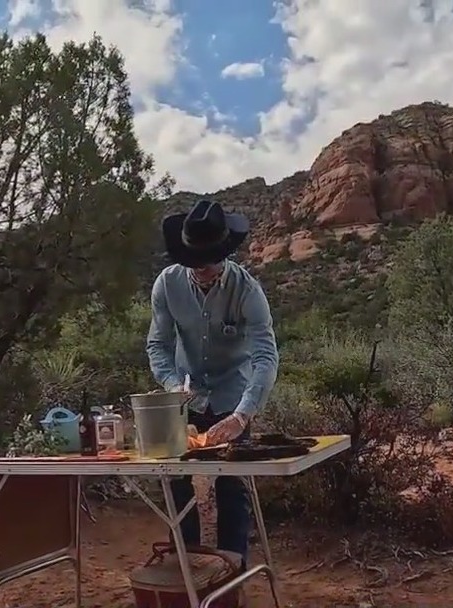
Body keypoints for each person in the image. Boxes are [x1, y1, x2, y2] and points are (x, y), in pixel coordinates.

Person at [146, 199, 279, 569]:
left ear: (224, 253)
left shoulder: (248, 291)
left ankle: (231, 569)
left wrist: (242, 416)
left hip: (233, 396)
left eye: (209, 261)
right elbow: (158, 345)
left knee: (232, 483)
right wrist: (173, 385)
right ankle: (184, 567)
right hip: (184, 399)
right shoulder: (167, 285)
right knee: (175, 480)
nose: (202, 270)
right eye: (194, 261)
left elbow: (265, 356)